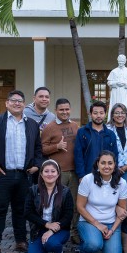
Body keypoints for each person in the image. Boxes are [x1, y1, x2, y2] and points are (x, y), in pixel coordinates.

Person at [0, 90, 43, 253]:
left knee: (21, 211)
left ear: (24, 104)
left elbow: (38, 147)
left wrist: (37, 165)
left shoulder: (31, 124)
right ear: (7, 103)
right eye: (13, 100)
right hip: (2, 175)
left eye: (20, 101)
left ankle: (21, 242)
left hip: (23, 175)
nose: (17, 103)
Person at [76, 151, 127, 253]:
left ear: (115, 165)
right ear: (97, 164)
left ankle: (104, 244)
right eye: (103, 163)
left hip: (111, 223)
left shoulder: (122, 182)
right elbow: (80, 206)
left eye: (110, 163)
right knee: (94, 244)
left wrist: (112, 230)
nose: (106, 166)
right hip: (89, 221)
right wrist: (97, 224)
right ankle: (86, 252)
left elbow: (122, 212)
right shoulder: (88, 179)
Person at [41, 98, 80, 244]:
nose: (64, 112)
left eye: (67, 109)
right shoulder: (49, 127)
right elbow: (42, 149)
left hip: (74, 172)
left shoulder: (75, 126)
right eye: (61, 110)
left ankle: (74, 232)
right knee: (57, 204)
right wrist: (56, 147)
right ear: (56, 110)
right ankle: (55, 232)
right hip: (57, 174)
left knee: (75, 204)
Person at [24, 159, 73, 253]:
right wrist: (46, 224)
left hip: (60, 229)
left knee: (52, 243)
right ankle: (44, 248)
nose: (50, 174)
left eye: (53, 171)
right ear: (41, 174)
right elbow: (28, 213)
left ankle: (57, 252)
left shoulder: (65, 192)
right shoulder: (33, 190)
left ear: (58, 173)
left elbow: (68, 216)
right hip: (38, 230)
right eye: (46, 171)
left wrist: (51, 230)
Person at [74, 101, 119, 180]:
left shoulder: (110, 134)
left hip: (106, 176)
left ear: (105, 114)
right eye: (95, 113)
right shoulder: (82, 132)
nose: (98, 116)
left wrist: (113, 174)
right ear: (90, 114)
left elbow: (115, 156)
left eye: (101, 113)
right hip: (87, 175)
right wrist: (81, 176)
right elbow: (78, 155)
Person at [106, 103, 127, 181]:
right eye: (117, 113)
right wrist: (114, 167)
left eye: (122, 113)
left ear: (126, 115)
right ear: (112, 115)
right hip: (109, 169)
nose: (120, 115)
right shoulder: (106, 130)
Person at [107, 54, 127, 125]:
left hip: (125, 92)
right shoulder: (114, 71)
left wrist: (125, 84)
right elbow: (109, 82)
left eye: (122, 61)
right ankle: (112, 123)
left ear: (125, 61)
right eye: (119, 62)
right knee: (114, 107)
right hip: (115, 92)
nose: (121, 63)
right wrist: (116, 83)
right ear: (117, 61)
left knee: (125, 107)